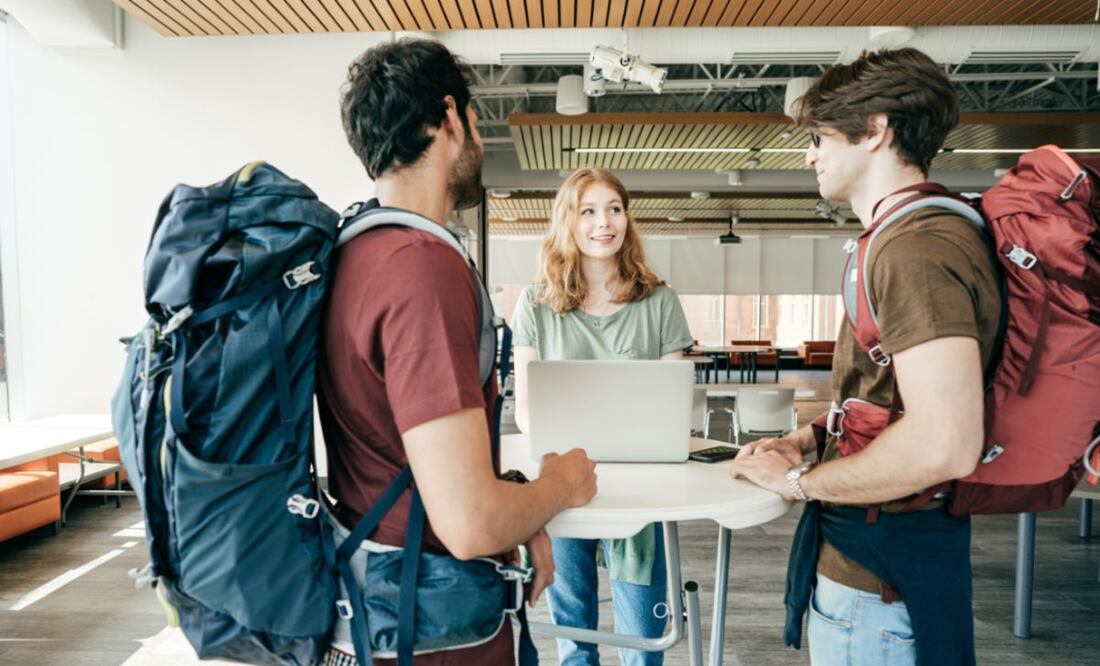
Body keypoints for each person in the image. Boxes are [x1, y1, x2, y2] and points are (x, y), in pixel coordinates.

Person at [317, 39, 598, 665]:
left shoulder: (355, 251)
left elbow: (413, 462)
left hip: (377, 611)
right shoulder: (421, 271)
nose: (478, 136)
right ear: (449, 118)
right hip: (432, 631)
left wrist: (519, 510)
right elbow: (469, 523)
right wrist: (560, 483)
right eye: (474, 120)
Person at [729, 47, 1002, 666]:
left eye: (821, 136)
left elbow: (945, 443)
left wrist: (798, 482)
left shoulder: (916, 248)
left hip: (879, 593)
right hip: (888, 572)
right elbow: (890, 398)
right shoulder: (912, 233)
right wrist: (805, 439)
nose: (810, 154)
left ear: (876, 129)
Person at [512, 167, 695, 665]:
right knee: (575, 635)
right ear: (567, 221)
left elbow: (671, 406)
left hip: (640, 488)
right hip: (562, 488)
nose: (604, 222)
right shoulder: (535, 303)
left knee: (643, 633)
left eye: (614, 208)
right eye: (588, 211)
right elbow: (527, 410)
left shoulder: (659, 301)